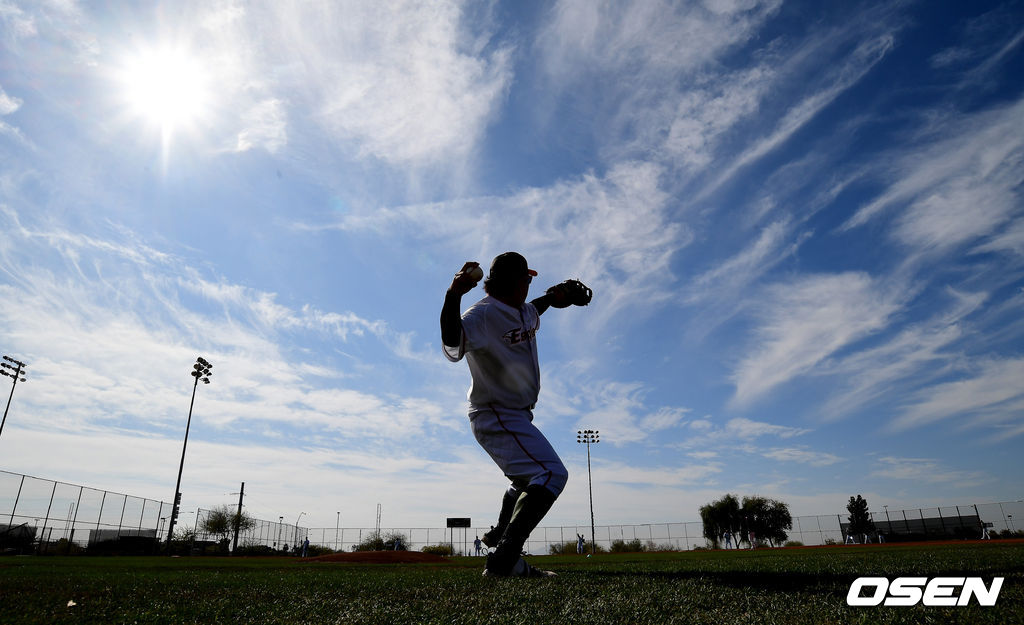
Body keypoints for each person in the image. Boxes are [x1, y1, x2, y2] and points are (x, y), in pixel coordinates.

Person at [441, 252, 586, 578]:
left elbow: (535, 307)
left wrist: (553, 296)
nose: (530, 281)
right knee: (551, 474)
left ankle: (498, 537)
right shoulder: (483, 314)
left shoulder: (523, 310)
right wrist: (454, 294)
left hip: (515, 415)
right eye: (526, 278)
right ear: (513, 281)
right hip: (495, 412)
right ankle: (504, 559)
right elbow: (453, 341)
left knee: (525, 480)